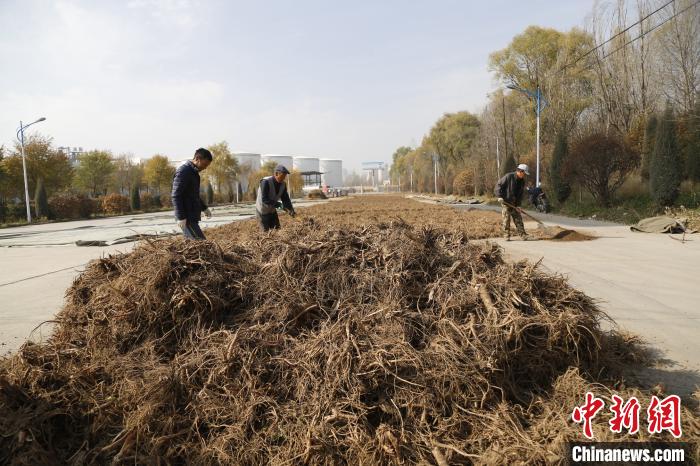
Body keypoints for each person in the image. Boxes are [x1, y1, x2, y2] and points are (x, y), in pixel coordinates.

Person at [172, 148, 213, 240]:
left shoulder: (193, 173)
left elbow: (193, 195)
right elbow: (176, 195)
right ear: (198, 159)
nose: (205, 167)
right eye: (205, 164)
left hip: (192, 217)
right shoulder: (184, 172)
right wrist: (180, 217)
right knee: (202, 245)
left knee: (196, 246)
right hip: (186, 218)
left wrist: (204, 208)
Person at [494, 163, 530, 241]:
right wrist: (499, 196)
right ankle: (506, 235)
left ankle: (523, 235)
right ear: (520, 171)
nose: (524, 175)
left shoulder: (522, 181)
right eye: (524, 173)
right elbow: (498, 185)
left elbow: (520, 194)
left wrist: (519, 205)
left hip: (514, 203)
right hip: (505, 201)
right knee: (506, 219)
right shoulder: (508, 176)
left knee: (518, 218)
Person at [255, 164, 296, 231]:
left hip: (272, 211)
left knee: (277, 230)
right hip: (262, 212)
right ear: (276, 174)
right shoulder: (265, 182)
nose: (283, 178)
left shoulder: (283, 185)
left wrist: (291, 210)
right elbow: (265, 199)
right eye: (282, 176)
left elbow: (286, 199)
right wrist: (278, 204)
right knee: (265, 232)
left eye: (285, 176)